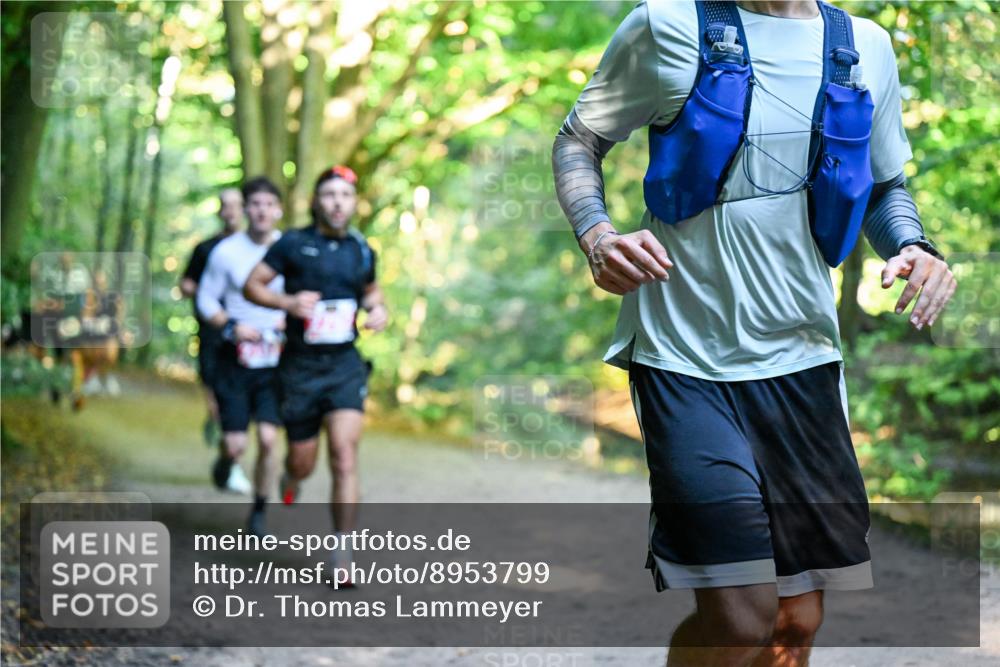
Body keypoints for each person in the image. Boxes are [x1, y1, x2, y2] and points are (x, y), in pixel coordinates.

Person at [552, 1, 957, 665]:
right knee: (740, 618)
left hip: (805, 359)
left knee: (796, 622)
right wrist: (597, 236)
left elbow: (886, 187)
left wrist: (913, 245)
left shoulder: (864, 46)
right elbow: (577, 140)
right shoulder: (666, 26)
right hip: (685, 360)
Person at [244, 165, 387, 584]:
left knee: (344, 454)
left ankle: (342, 553)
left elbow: (371, 291)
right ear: (315, 202)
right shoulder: (292, 243)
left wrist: (378, 309)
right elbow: (253, 285)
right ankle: (292, 477)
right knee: (302, 462)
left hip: (344, 366)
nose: (337, 203)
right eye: (329, 195)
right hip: (299, 369)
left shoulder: (362, 249)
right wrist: (287, 303)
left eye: (345, 195)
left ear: (354, 202)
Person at [197, 177, 286, 537]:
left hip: (274, 360)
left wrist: (289, 317)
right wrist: (231, 325)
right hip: (234, 359)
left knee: (268, 439)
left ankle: (260, 512)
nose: (262, 211)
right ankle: (226, 459)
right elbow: (205, 298)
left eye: (269, 204)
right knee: (237, 444)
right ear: (245, 209)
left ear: (279, 210)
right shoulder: (226, 251)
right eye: (256, 204)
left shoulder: (290, 249)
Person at [180, 188, 244, 447]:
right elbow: (186, 283)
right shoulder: (205, 248)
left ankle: (231, 430)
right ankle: (217, 419)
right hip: (210, 329)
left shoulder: (256, 249)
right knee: (211, 378)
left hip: (245, 329)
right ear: (219, 211)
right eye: (225, 205)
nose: (230, 211)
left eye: (235, 205)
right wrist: (203, 293)